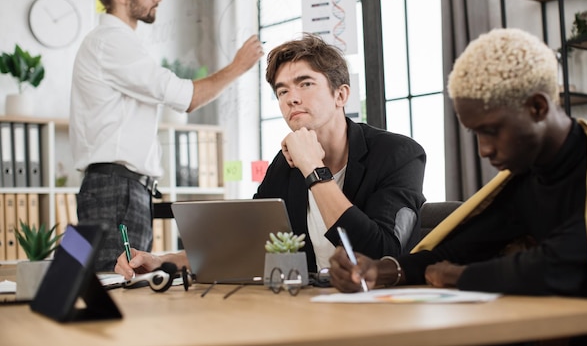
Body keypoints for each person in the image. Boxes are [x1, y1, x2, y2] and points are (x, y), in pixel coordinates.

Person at [329, 28, 587, 346]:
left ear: (538, 107)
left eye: (492, 131)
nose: (484, 150)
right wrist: (382, 269)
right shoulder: (525, 178)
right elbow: (456, 251)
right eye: (476, 134)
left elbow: (565, 265)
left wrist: (460, 277)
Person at [114, 33, 427, 278]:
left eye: (305, 84)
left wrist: (314, 170)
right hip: (312, 308)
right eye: (282, 91)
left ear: (341, 95)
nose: (291, 98)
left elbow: (383, 254)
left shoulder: (398, 154)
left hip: (382, 310)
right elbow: (247, 245)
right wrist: (162, 261)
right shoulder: (285, 163)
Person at [70, 0, 263, 272]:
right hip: (117, 192)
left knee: (126, 282)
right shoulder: (112, 42)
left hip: (121, 190)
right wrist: (238, 66)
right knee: (121, 284)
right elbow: (186, 97)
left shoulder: (114, 42)